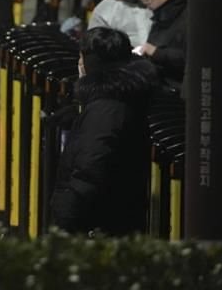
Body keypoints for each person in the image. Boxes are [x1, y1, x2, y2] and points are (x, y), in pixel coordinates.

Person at [50, 28, 155, 235]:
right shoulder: (118, 99)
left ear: (92, 62)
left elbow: (90, 169)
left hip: (96, 225)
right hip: (111, 219)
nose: (78, 63)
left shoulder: (105, 109)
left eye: (81, 57)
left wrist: (64, 214)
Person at [127, 0, 187, 90]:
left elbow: (193, 58)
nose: (144, 3)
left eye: (148, 0)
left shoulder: (188, 15)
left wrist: (155, 52)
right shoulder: (162, 15)